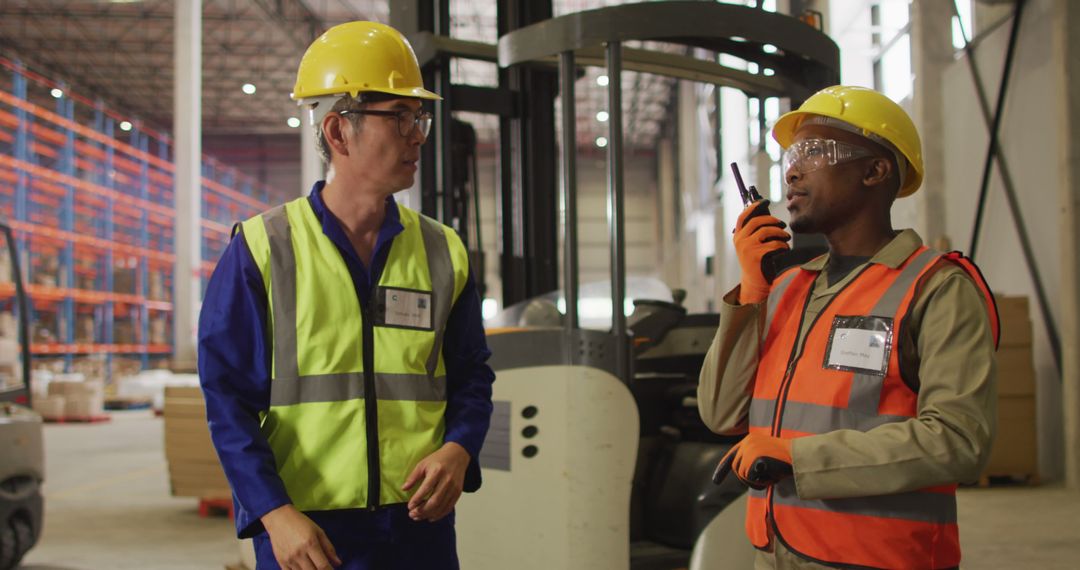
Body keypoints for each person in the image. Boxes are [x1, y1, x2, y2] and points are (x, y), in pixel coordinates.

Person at [198, 21, 495, 570]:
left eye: (419, 117)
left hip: (418, 526)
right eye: (401, 117)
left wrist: (460, 448)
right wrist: (274, 513)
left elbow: (472, 374)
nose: (419, 135)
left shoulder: (441, 250)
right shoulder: (262, 250)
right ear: (339, 132)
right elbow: (226, 400)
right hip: (309, 534)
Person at [698, 85, 999, 569]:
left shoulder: (935, 288)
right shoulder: (789, 288)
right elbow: (720, 413)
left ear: (875, 171)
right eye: (791, 156)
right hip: (777, 554)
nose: (792, 170)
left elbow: (959, 440)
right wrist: (751, 293)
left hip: (878, 559)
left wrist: (799, 458)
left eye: (814, 152)